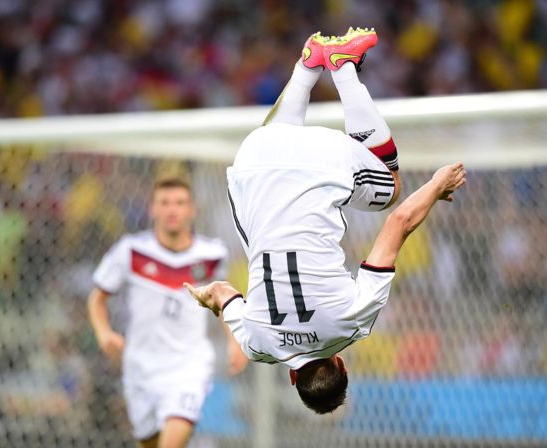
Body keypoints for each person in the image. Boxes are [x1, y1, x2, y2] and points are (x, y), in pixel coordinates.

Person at [184, 29, 467, 415]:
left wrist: (436, 186)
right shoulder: (257, 346)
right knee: (271, 150)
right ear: (291, 378)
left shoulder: (353, 324)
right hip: (254, 158)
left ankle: (343, 68)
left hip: (323, 160)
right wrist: (207, 299)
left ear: (341, 364)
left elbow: (398, 223)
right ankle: (307, 65)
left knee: (393, 185)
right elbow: (219, 291)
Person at [88, 177, 248, 448]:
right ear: (152, 209)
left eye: (180, 203)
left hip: (188, 365)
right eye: (164, 203)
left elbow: (223, 302)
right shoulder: (132, 251)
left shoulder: (212, 254)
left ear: (192, 210)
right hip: (140, 366)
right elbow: (97, 297)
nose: (172, 209)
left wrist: (236, 341)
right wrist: (103, 333)